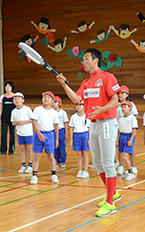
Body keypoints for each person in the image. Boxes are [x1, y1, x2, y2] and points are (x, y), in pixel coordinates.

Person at [57, 48, 121, 217]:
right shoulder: (86, 82)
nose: (83, 62)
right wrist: (63, 84)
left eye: (85, 59)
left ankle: (110, 203)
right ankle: (112, 193)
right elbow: (77, 99)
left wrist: (103, 109)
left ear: (95, 61)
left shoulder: (108, 77)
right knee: (98, 164)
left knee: (108, 163)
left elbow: (116, 100)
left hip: (107, 123)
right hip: (92, 124)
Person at [30, 91, 59, 184]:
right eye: (44, 97)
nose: (46, 99)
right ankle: (34, 175)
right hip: (39, 134)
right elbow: (34, 122)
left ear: (52, 100)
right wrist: (39, 134)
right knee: (37, 156)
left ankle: (54, 174)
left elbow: (56, 126)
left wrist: (57, 139)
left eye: (48, 97)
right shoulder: (37, 109)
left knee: (50, 156)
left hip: (50, 134)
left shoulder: (54, 112)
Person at [116, 85, 138, 175]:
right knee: (120, 150)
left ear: (126, 94)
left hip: (129, 130)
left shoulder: (131, 105)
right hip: (119, 129)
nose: (120, 95)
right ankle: (121, 166)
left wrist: (128, 121)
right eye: (118, 93)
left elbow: (135, 117)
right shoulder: (116, 104)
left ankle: (132, 166)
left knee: (130, 150)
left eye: (122, 93)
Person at [11, 92, 34, 174]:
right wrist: (16, 123)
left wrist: (23, 122)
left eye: (18, 98)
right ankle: (23, 165)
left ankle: (30, 165)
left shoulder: (27, 109)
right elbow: (12, 122)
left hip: (28, 133)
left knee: (29, 149)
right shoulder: (13, 111)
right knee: (22, 150)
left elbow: (32, 119)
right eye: (15, 99)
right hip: (19, 133)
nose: (17, 100)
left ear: (23, 100)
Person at [69, 101, 91, 178]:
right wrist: (71, 139)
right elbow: (71, 128)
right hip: (76, 135)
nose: (79, 107)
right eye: (77, 105)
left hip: (85, 135)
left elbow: (89, 129)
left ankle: (85, 170)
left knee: (85, 154)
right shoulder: (73, 117)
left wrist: (89, 140)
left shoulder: (87, 116)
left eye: (81, 105)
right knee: (78, 154)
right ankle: (80, 170)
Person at [0, 81, 16, 155]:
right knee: (3, 134)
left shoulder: (15, 96)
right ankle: (3, 149)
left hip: (13, 119)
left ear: (12, 87)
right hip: (4, 119)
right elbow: (0, 108)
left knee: (12, 134)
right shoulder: (2, 97)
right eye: (6, 86)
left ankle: (11, 150)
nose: (7, 88)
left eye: (9, 86)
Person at [52, 96, 69, 167]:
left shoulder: (63, 112)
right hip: (53, 131)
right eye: (52, 102)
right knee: (55, 147)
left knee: (62, 147)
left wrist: (66, 133)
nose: (54, 104)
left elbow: (65, 123)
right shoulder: (51, 112)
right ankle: (57, 161)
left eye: (55, 102)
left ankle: (63, 161)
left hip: (61, 130)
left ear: (59, 103)